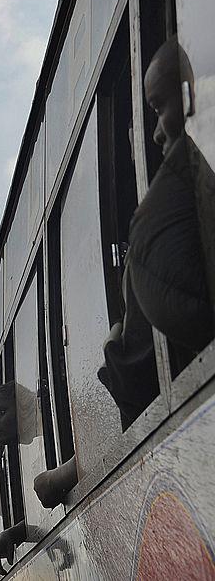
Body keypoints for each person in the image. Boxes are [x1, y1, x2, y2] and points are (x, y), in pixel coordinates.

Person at [100, 36, 214, 423]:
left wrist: (115, 351)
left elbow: (170, 290)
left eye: (156, 107)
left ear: (192, 95)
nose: (155, 135)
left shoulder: (185, 189)